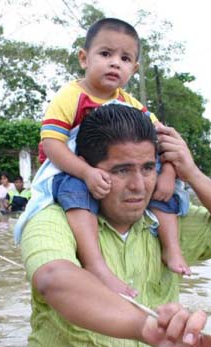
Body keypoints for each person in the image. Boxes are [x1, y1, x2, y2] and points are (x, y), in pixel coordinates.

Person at [20, 104, 211, 347]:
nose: (139, 185)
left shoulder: (168, 224)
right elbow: (55, 279)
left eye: (148, 168)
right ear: (85, 167)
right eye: (121, 171)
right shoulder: (50, 219)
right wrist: (146, 328)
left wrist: (191, 173)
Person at [38, 17, 189, 297]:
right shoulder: (71, 96)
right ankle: (96, 265)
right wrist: (85, 172)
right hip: (73, 167)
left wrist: (168, 174)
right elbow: (52, 145)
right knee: (74, 191)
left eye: (125, 58)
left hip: (117, 170)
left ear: (135, 67)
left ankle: (172, 248)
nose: (115, 63)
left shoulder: (132, 105)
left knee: (167, 192)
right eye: (105, 54)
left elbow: (164, 139)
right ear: (84, 58)